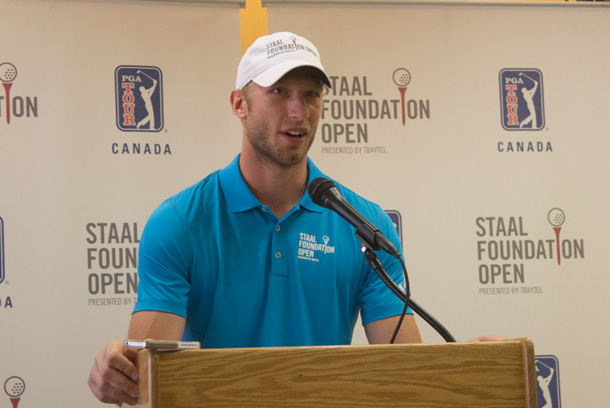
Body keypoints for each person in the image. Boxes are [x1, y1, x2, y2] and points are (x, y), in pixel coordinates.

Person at [89, 31, 435, 406]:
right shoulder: (179, 223)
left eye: (311, 94)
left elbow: (407, 378)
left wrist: (474, 363)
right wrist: (121, 372)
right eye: (279, 92)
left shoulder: (366, 226)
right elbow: (148, 382)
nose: (298, 112)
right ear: (240, 104)